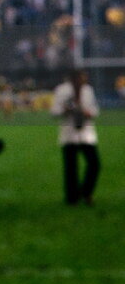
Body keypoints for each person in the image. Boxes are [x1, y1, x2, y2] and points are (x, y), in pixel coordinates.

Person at [51, 69, 100, 205]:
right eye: (81, 77)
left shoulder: (88, 90)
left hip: (86, 133)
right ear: (74, 78)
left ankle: (86, 192)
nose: (84, 80)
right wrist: (65, 110)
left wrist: (89, 113)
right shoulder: (62, 90)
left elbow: (95, 109)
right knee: (71, 168)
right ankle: (72, 198)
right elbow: (54, 111)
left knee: (94, 164)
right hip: (69, 133)